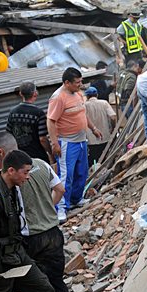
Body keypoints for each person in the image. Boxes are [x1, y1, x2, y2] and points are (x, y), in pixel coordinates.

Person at [0, 132, 71, 292]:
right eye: (25, 173)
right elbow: (60, 190)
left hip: (20, 250)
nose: (28, 176)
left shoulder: (16, 183)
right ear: (11, 171)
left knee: (45, 290)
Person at [47, 68, 103, 223]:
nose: (81, 84)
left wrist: (93, 128)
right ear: (67, 83)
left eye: (81, 81)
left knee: (82, 171)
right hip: (66, 143)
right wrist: (54, 143)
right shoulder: (58, 98)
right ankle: (61, 209)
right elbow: (51, 121)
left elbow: (82, 113)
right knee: (66, 176)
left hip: (81, 141)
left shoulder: (78, 94)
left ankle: (76, 199)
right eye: (77, 82)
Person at [6, 82, 53, 164]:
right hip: (38, 157)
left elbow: (9, 135)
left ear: (20, 94)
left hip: (20, 157)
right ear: (35, 94)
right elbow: (43, 139)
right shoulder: (38, 113)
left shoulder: (12, 112)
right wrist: (51, 154)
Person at [84, 87, 116, 166]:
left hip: (91, 138)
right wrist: (112, 127)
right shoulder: (104, 103)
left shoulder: (84, 106)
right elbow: (113, 117)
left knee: (93, 160)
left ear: (87, 96)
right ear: (97, 95)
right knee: (105, 159)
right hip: (104, 136)